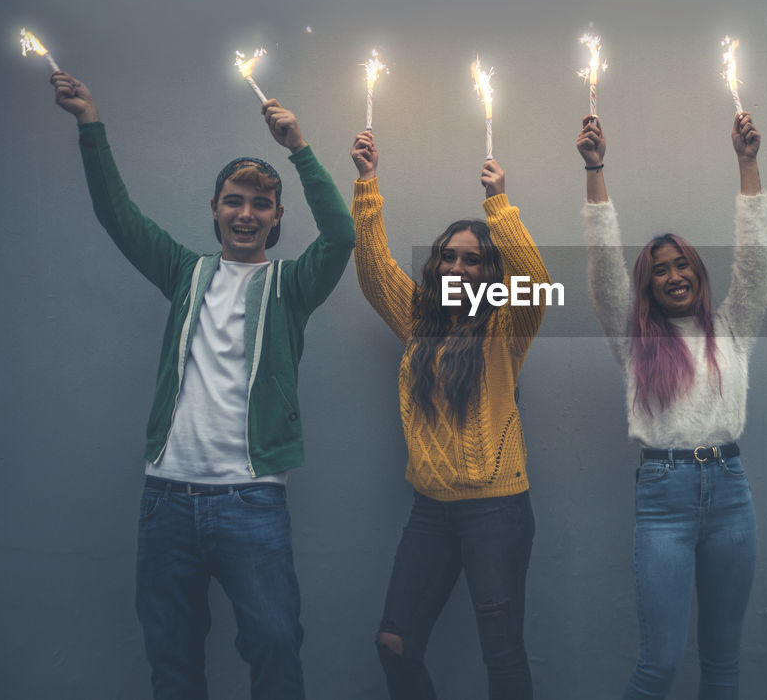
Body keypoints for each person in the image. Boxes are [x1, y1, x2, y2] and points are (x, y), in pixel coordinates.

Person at [51, 72, 355, 699]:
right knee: (172, 659)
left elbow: (342, 237)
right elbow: (118, 215)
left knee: (275, 647)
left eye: (259, 205)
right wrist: (90, 124)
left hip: (250, 501)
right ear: (215, 208)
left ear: (275, 219)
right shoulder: (185, 273)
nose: (245, 214)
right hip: (166, 498)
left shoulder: (291, 286)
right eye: (233, 201)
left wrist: (299, 148)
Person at [577, 111, 767, 699]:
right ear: (648, 288)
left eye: (681, 263)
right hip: (664, 497)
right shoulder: (635, 340)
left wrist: (747, 164)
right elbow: (604, 268)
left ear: (698, 272)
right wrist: (595, 170)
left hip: (731, 493)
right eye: (659, 271)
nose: (673, 275)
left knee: (722, 665)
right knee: (659, 666)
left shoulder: (733, 326)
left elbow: (756, 256)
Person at [349, 130, 549, 699]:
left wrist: (499, 205)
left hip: (496, 510)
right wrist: (366, 184)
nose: (457, 266)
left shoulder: (506, 323)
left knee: (501, 654)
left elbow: (537, 282)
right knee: (394, 642)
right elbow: (372, 270)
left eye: (473, 259)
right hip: (430, 510)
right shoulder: (419, 318)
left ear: (489, 271)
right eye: (448, 256)